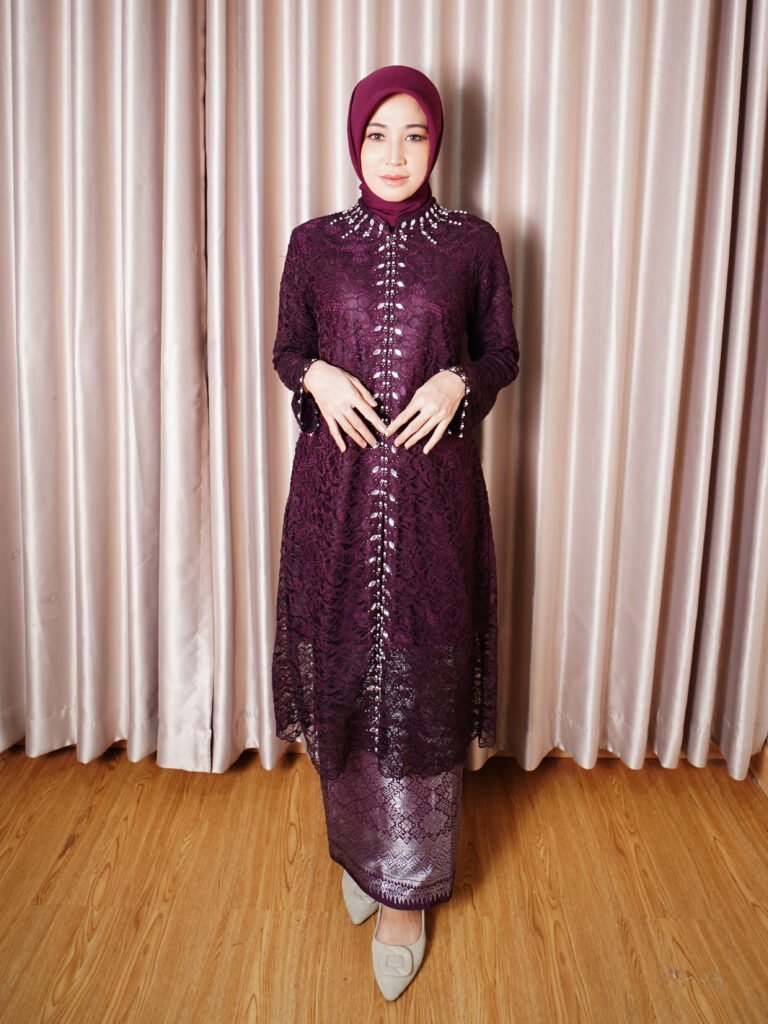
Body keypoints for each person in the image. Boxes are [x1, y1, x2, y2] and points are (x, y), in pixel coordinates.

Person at [271, 64, 520, 1000]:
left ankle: (407, 890)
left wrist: (461, 381)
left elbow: (504, 352)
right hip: (332, 498)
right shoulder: (312, 245)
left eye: (415, 134)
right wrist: (314, 376)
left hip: (434, 500)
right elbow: (286, 348)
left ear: (437, 143)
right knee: (343, 664)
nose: (395, 153)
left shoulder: (473, 245)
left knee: (417, 673)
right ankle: (361, 849)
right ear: (354, 141)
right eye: (378, 133)